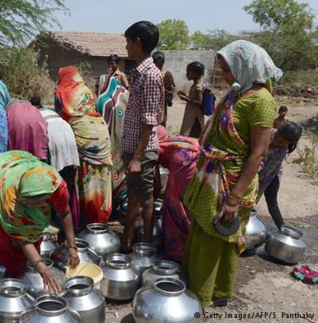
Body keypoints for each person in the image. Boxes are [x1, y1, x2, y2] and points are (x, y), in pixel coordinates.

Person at [182, 40, 282, 308]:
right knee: (205, 230)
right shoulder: (237, 92)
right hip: (213, 174)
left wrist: (234, 198)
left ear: (246, 66)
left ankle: (205, 294)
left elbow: (258, 153)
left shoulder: (262, 101)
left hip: (232, 180)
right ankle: (210, 288)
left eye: (227, 69)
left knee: (217, 235)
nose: (225, 76)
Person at [0, 150, 79, 293]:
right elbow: (22, 237)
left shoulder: (56, 185)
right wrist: (41, 266)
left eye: (37, 203)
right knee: (5, 237)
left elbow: (65, 213)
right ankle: (9, 279)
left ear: (48, 196)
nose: (31, 207)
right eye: (28, 202)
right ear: (22, 196)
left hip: (19, 162)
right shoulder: (9, 201)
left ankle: (26, 266)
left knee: (34, 230)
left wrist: (72, 246)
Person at [121, 21, 164, 252]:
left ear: (138, 43)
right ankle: (127, 240)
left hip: (142, 151)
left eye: (128, 42)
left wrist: (137, 157)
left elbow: (149, 121)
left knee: (146, 198)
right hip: (134, 149)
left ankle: (146, 248)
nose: (126, 47)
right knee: (134, 196)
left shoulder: (150, 75)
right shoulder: (138, 72)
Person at [55, 66, 112, 227]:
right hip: (101, 132)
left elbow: (61, 119)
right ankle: (101, 218)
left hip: (83, 135)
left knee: (86, 178)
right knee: (101, 176)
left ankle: (87, 219)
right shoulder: (86, 90)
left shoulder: (60, 92)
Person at [32, 96, 80, 230]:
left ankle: (56, 217)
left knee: (54, 178)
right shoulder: (50, 111)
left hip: (54, 138)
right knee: (67, 178)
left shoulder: (36, 115)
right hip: (68, 135)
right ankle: (66, 218)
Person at [155, 125, 201, 262]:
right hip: (198, 160)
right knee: (190, 205)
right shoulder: (175, 140)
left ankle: (177, 253)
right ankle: (193, 246)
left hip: (182, 166)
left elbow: (156, 186)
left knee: (174, 206)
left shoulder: (155, 147)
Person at [257, 121, 302, 229]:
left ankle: (283, 229)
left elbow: (265, 173)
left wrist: (250, 176)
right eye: (277, 137)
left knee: (272, 204)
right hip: (254, 171)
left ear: (289, 143)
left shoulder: (281, 151)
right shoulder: (268, 133)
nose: (276, 142)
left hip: (269, 177)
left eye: (281, 142)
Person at [96, 73, 129, 219]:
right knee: (122, 171)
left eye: (98, 85)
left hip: (108, 146)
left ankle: (108, 208)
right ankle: (124, 208)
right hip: (125, 145)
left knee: (109, 173)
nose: (97, 88)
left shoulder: (102, 101)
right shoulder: (125, 95)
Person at [178, 61, 205, 138]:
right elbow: (194, 98)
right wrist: (185, 96)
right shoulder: (195, 85)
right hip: (191, 115)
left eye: (188, 72)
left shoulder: (198, 86)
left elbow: (199, 102)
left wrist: (186, 99)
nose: (186, 74)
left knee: (192, 137)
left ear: (196, 74)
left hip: (195, 117)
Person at [152, 51, 175, 126]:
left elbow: (171, 90)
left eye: (160, 63)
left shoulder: (167, 75)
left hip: (161, 103)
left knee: (160, 123)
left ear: (163, 62)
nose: (157, 66)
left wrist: (164, 91)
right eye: (155, 63)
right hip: (150, 102)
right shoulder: (150, 74)